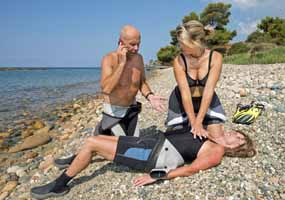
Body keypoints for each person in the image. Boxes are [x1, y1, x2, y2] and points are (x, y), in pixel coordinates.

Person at [31, 127, 255, 199]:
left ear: (236, 149)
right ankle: (75, 160)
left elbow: (190, 169)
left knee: (92, 143)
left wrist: (157, 175)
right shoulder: (212, 137)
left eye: (238, 138)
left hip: (152, 155)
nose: (233, 133)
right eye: (236, 132)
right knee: (103, 140)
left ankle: (59, 185)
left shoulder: (216, 151)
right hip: (153, 142)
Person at [54, 25, 165, 169]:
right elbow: (106, 89)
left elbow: (141, 82)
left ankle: (81, 153)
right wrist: (122, 63)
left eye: (139, 44)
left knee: (128, 146)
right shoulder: (109, 59)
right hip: (113, 112)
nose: (136, 48)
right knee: (122, 148)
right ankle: (74, 159)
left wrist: (150, 96)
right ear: (121, 42)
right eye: (132, 44)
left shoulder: (139, 58)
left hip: (131, 111)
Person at [165, 20, 227, 144]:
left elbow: (209, 90)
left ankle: (204, 124)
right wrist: (194, 123)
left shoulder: (215, 58)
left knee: (217, 138)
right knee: (184, 140)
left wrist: (199, 122)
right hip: (182, 102)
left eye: (182, 43)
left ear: (195, 42)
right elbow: (185, 94)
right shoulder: (179, 60)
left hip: (206, 100)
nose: (180, 46)